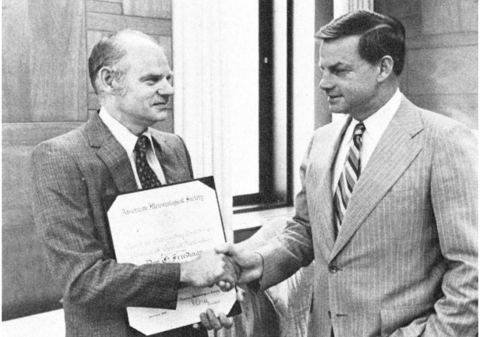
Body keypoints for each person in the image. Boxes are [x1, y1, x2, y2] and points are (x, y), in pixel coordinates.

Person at [217, 10, 478, 336]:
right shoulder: (321, 143)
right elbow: (306, 232)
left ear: (383, 68)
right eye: (323, 69)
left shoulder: (444, 141)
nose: (324, 82)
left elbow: (471, 270)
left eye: (339, 71)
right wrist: (257, 261)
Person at [31, 30, 235, 337]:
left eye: (169, 78)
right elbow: (82, 280)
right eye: (152, 80)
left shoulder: (174, 146)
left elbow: (190, 247)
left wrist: (212, 304)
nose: (169, 89)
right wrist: (186, 273)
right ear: (108, 81)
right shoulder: (60, 157)